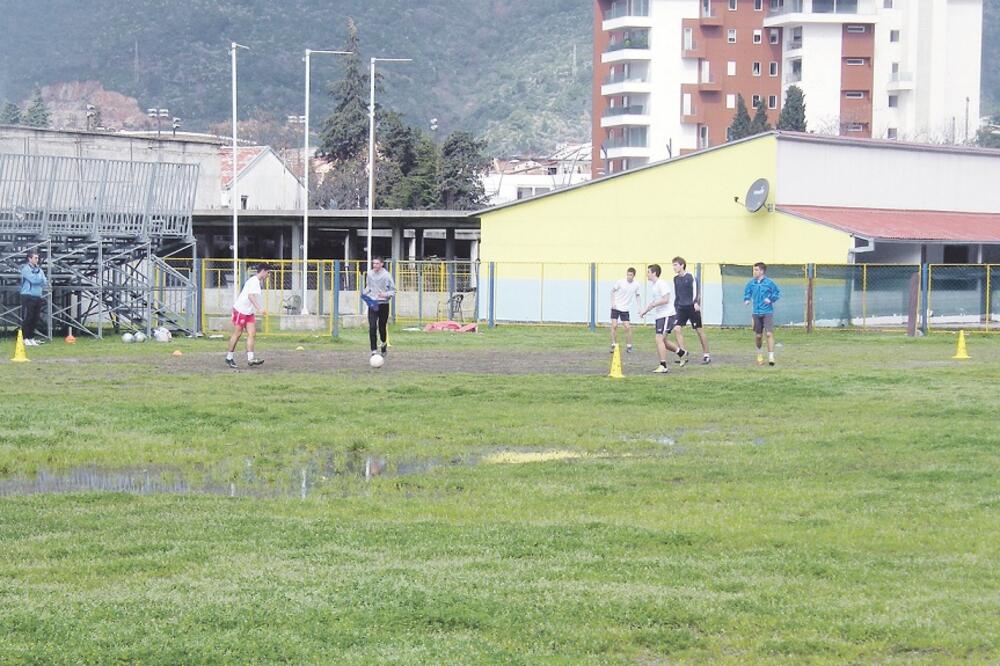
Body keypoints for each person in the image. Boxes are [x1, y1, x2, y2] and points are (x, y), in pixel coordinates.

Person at [226, 263, 270, 369]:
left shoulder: (256, 281)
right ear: (263, 271)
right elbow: (250, 296)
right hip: (241, 310)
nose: (268, 275)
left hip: (248, 312)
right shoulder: (254, 281)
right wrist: (259, 308)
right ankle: (229, 357)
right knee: (237, 333)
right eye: (268, 273)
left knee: (252, 333)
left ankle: (251, 359)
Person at [639, 263, 681, 374]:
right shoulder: (654, 286)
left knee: (659, 339)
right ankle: (681, 353)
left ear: (654, 273)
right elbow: (654, 302)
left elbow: (666, 299)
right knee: (664, 341)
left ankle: (663, 365)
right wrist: (645, 311)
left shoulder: (661, 284)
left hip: (667, 315)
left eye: (648, 272)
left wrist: (654, 305)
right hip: (660, 316)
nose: (646, 274)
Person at [670, 257, 710, 365]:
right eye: (673, 265)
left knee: (699, 330)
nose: (674, 267)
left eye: (675, 265)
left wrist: (696, 302)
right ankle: (683, 354)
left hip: (692, 307)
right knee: (677, 329)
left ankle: (706, 355)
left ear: (682, 265)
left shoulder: (690, 276)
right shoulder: (676, 279)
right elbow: (677, 294)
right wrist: (675, 307)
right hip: (681, 308)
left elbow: (696, 290)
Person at [743, 261, 781, 366]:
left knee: (769, 333)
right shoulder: (751, 283)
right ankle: (759, 354)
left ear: (762, 271)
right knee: (758, 336)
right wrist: (747, 299)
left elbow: (776, 293)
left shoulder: (769, 283)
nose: (754, 272)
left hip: (767, 312)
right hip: (756, 312)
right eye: (753, 270)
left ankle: (771, 357)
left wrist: (771, 299)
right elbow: (747, 292)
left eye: (756, 270)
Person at [363, 256, 396, 357]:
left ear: (382, 264)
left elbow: (393, 291)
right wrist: (365, 293)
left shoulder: (387, 275)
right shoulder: (369, 274)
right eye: (373, 263)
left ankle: (383, 344)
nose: (375, 265)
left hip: (383, 304)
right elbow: (368, 286)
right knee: (372, 326)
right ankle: (373, 350)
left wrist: (385, 295)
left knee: (382, 326)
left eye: (377, 263)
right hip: (373, 304)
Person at [609, 267, 641, 354]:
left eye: (631, 275)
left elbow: (637, 296)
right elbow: (612, 291)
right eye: (628, 274)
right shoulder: (620, 282)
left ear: (634, 276)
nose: (629, 276)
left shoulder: (636, 285)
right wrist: (613, 303)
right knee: (614, 325)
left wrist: (639, 307)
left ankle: (629, 346)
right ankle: (614, 344)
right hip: (616, 307)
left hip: (625, 309)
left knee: (627, 327)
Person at [20, 250, 48, 346]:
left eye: (37, 258)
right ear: (29, 258)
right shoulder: (25, 269)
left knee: (35, 318)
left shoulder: (39, 269)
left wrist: (39, 279)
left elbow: (44, 281)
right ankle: (25, 338)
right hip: (28, 295)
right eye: (35, 258)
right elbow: (33, 280)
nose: (37, 259)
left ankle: (31, 337)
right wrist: (39, 279)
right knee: (29, 317)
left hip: (38, 296)